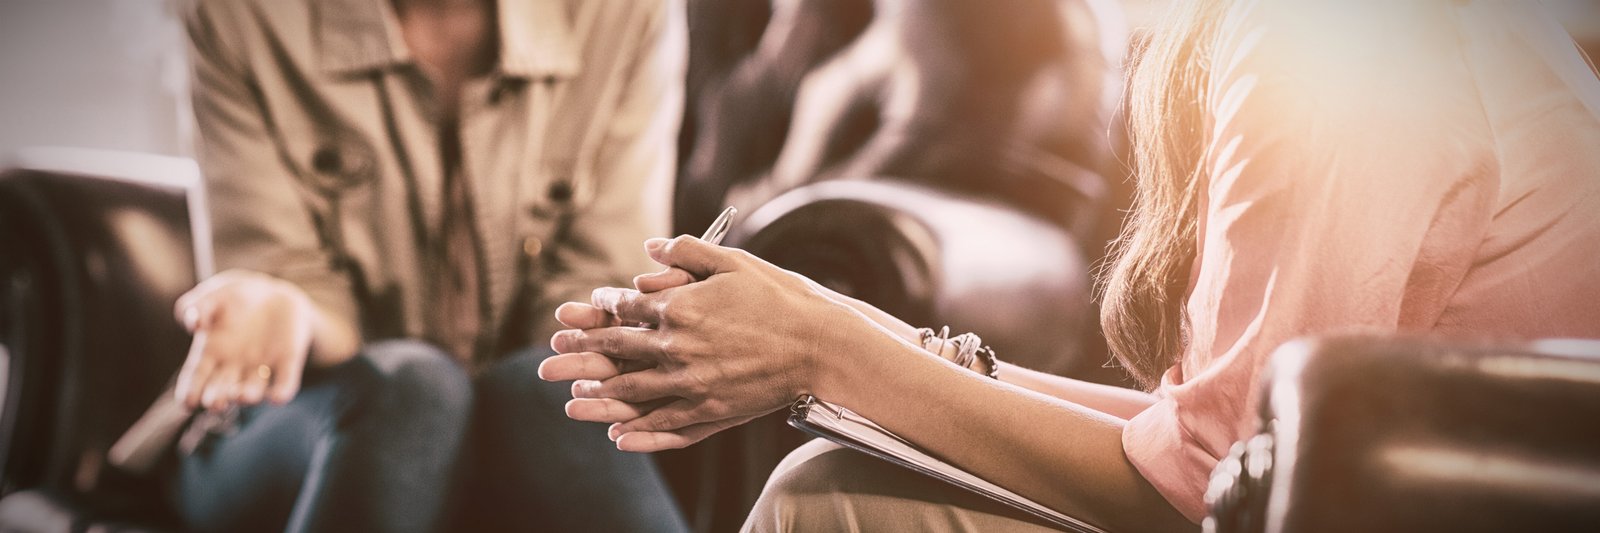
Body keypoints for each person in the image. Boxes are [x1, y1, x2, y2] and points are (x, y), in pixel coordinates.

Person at [541, 0, 1600, 531]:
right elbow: (1214, 432)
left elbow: (1216, 486)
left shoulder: (1337, 49)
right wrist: (846, 328)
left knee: (834, 503)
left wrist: (823, 350)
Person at [170, 0, 689, 531]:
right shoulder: (241, 13)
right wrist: (291, 307)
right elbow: (286, 270)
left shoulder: (625, 11)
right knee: (414, 391)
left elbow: (597, 282)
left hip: (525, 414)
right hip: (297, 412)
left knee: (551, 392)